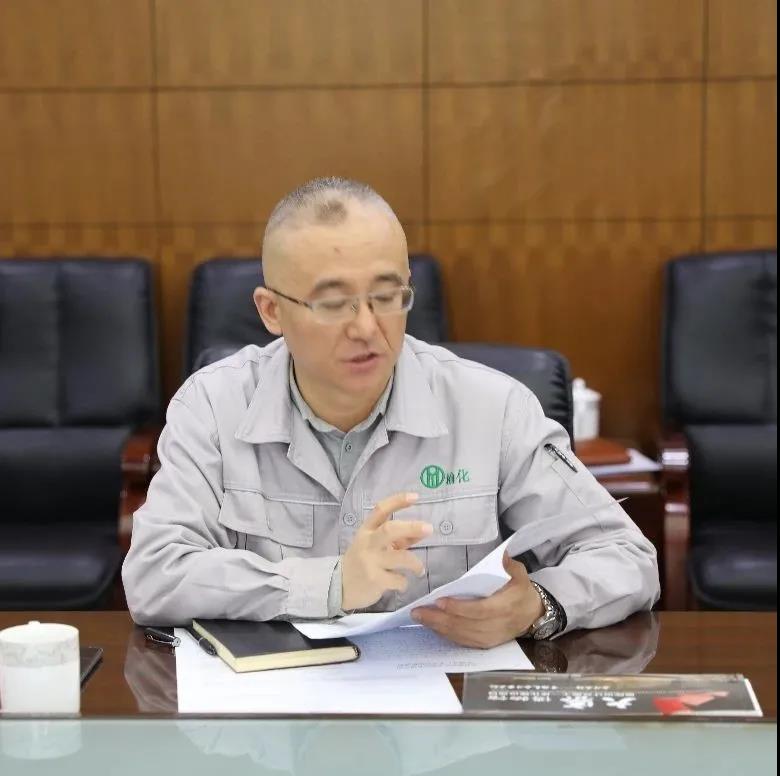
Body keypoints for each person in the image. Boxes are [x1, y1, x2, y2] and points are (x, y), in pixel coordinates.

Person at [122, 177, 659, 647]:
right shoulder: (212, 407)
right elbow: (154, 575)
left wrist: (537, 606)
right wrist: (332, 584)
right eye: (333, 303)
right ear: (272, 311)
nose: (366, 327)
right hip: (274, 706)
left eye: (387, 296)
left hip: (444, 710)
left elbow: (625, 555)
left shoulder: (493, 409)